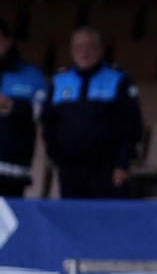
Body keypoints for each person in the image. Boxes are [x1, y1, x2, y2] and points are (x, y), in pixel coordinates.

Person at [41, 27, 142, 198]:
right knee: (72, 220)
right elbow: (48, 123)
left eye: (90, 46)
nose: (85, 52)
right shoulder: (59, 81)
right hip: (70, 169)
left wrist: (123, 164)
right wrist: (55, 156)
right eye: (79, 47)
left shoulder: (118, 79)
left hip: (107, 169)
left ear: (100, 50)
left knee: (107, 220)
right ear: (72, 51)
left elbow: (131, 126)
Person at [0, 20, 47, 197]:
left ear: (8, 41)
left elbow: (43, 112)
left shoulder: (31, 76)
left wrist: (10, 105)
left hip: (13, 170)